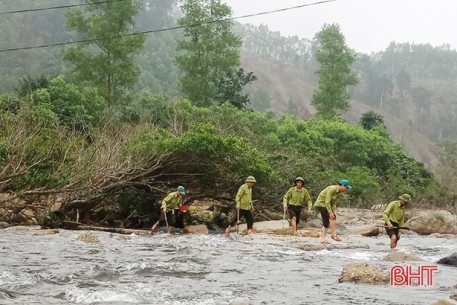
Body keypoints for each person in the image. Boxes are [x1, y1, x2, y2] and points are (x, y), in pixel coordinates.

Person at [314, 179, 352, 243]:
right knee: (329, 219)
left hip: (326, 205)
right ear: (343, 186)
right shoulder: (332, 189)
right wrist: (330, 212)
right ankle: (331, 236)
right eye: (346, 187)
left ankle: (329, 237)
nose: (346, 189)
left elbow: (333, 203)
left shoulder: (337, 191)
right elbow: (327, 201)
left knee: (331, 218)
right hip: (321, 204)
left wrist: (333, 211)